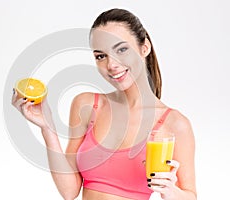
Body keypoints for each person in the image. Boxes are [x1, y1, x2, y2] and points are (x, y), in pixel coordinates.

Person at [12, 8, 197, 200]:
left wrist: (171, 192)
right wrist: (47, 127)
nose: (111, 65)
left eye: (121, 49)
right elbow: (69, 191)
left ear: (145, 48)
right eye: (101, 56)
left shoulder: (174, 124)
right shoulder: (87, 105)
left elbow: (190, 195)